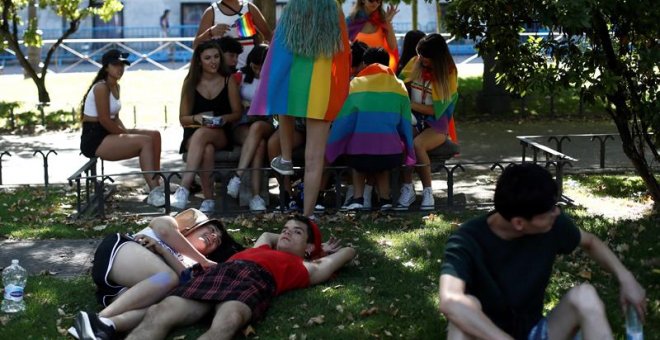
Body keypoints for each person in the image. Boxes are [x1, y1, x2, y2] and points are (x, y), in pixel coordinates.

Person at [438, 163, 647, 339]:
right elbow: (449, 301)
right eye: (549, 211)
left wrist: (626, 278)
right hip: (485, 335)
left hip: (534, 332)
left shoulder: (551, 223)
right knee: (462, 316)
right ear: (519, 223)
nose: (556, 212)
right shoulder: (467, 240)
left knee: (584, 295)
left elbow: (590, 242)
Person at [125, 215, 355, 340]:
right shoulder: (264, 246)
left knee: (229, 322)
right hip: (221, 271)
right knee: (159, 312)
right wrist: (305, 241)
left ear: (308, 247)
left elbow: (349, 251)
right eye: (285, 228)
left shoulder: (306, 267)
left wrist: (318, 250)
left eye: (297, 232)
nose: (286, 232)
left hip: (254, 280)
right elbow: (266, 233)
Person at [70, 208, 244, 339]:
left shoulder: (192, 265)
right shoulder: (172, 224)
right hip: (118, 254)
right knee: (168, 277)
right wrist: (203, 261)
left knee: (156, 310)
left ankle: (106, 326)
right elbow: (163, 230)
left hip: (122, 292)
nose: (213, 236)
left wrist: (163, 251)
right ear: (196, 226)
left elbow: (186, 283)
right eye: (211, 229)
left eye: (217, 240)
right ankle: (98, 319)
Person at [248, 0, 350, 219]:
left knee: (285, 110)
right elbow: (343, 55)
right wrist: (339, 90)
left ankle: (286, 158)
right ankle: (307, 215)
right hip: (320, 87)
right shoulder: (334, 9)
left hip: (293, 82)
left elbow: (278, 51)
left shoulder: (293, 8)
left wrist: (273, 84)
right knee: (314, 157)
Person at [326, 47, 415, 211]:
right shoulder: (400, 86)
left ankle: (358, 199)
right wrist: (409, 151)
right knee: (384, 154)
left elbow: (345, 123)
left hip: (359, 156)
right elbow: (405, 123)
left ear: (364, 65)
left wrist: (333, 147)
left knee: (357, 148)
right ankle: (385, 199)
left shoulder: (355, 84)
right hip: (391, 155)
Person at [79, 49, 164, 207]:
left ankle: (155, 182)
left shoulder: (115, 86)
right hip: (95, 138)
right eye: (116, 65)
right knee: (145, 142)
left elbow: (115, 117)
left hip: (108, 131)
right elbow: (104, 120)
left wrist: (126, 132)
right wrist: (125, 135)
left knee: (154, 135)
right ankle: (154, 192)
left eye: (123, 65)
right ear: (106, 67)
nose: (120, 68)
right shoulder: (101, 87)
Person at [172, 41, 242, 213]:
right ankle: (209, 199)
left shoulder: (228, 80)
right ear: (199, 61)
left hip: (220, 132)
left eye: (216, 57)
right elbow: (183, 119)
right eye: (208, 58)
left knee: (205, 136)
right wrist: (197, 118)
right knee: (207, 149)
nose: (213, 61)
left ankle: (184, 187)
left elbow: (237, 113)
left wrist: (223, 119)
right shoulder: (190, 82)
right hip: (193, 132)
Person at [395, 33, 459, 211]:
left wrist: (410, 104)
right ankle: (407, 188)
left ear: (437, 57)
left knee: (418, 144)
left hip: (436, 124)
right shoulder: (415, 62)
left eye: (425, 56)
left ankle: (428, 192)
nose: (421, 59)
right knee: (404, 141)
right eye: (419, 54)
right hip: (413, 118)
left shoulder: (449, 73)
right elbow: (399, 86)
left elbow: (436, 110)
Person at [225, 44, 275, 212]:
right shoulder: (240, 77)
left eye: (263, 68)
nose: (259, 71)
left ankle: (237, 176)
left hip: (264, 122)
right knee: (259, 144)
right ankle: (256, 196)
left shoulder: (274, 78)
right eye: (255, 67)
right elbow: (231, 102)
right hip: (242, 123)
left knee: (258, 128)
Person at [193, 0, 273, 69]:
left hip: (250, 71)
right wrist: (210, 32)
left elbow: (269, 37)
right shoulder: (211, 12)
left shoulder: (249, 7)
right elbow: (196, 45)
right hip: (223, 72)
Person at [346, 0, 399, 71]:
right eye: (371, 0)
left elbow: (393, 46)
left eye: (378, 0)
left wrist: (388, 22)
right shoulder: (351, 21)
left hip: (379, 70)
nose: (375, 3)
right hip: (357, 72)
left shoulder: (383, 20)